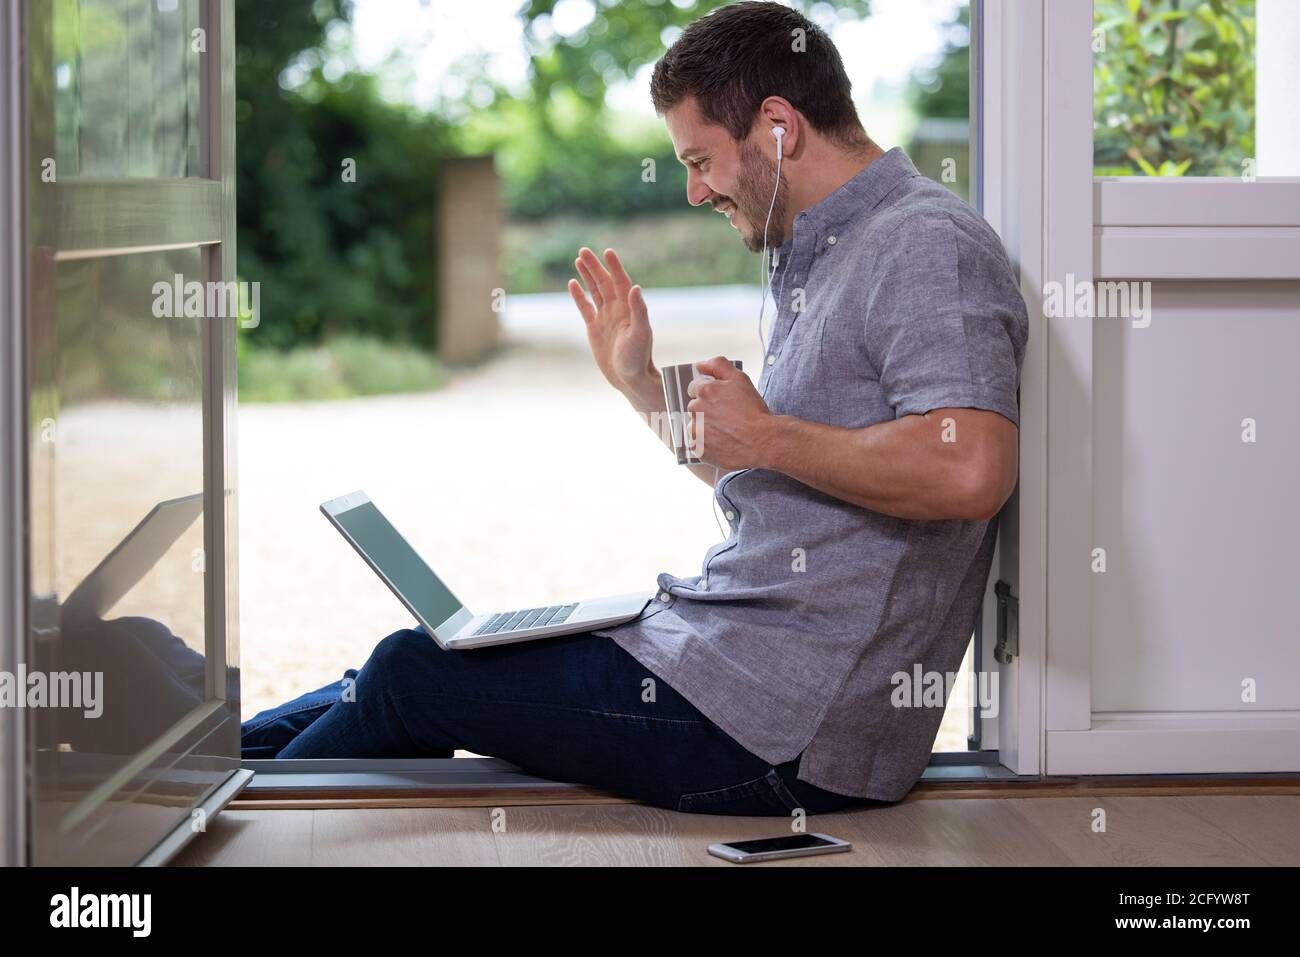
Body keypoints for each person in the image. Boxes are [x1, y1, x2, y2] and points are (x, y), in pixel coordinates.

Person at [243, 0, 1029, 817]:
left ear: (778, 126)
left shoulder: (926, 245)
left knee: (411, 674)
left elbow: (969, 468)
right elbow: (775, 474)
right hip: (718, 656)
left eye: (700, 160)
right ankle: (176, 779)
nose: (692, 191)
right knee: (381, 675)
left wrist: (768, 431)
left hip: (785, 730)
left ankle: (225, 828)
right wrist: (641, 385)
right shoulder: (816, 249)